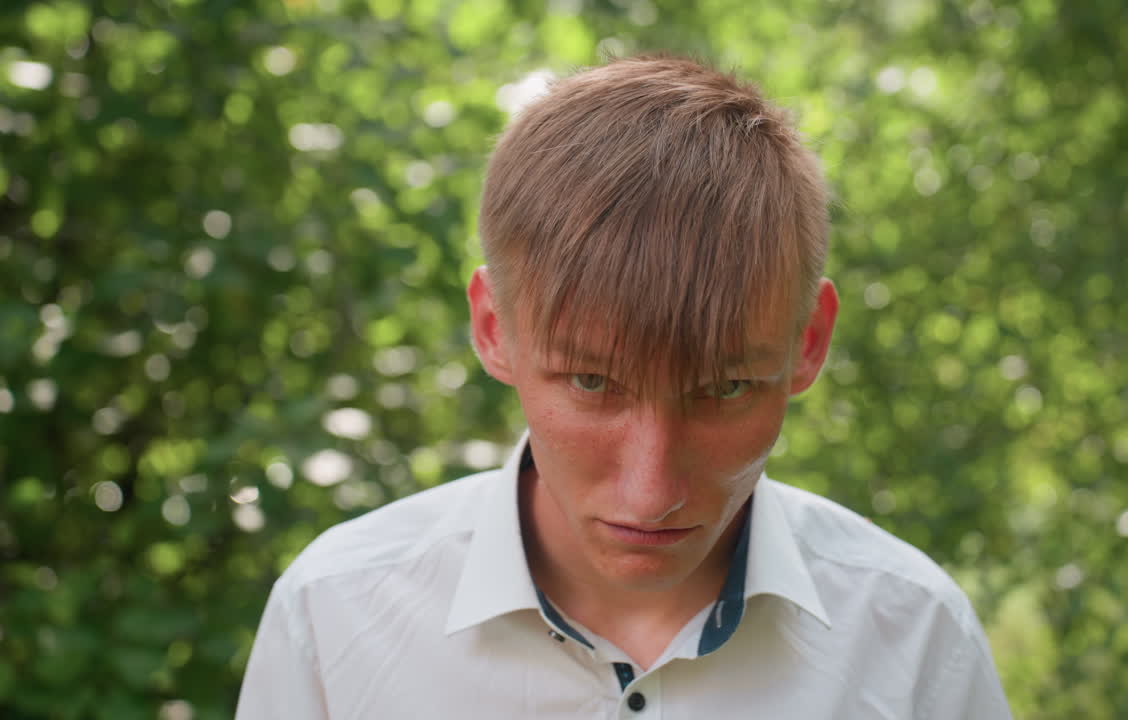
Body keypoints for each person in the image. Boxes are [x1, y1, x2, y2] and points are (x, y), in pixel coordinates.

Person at [236, 54, 1013, 719]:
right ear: (493, 327)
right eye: (592, 382)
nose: (651, 494)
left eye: (725, 390)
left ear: (807, 342)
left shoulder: (915, 636)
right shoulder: (333, 617)